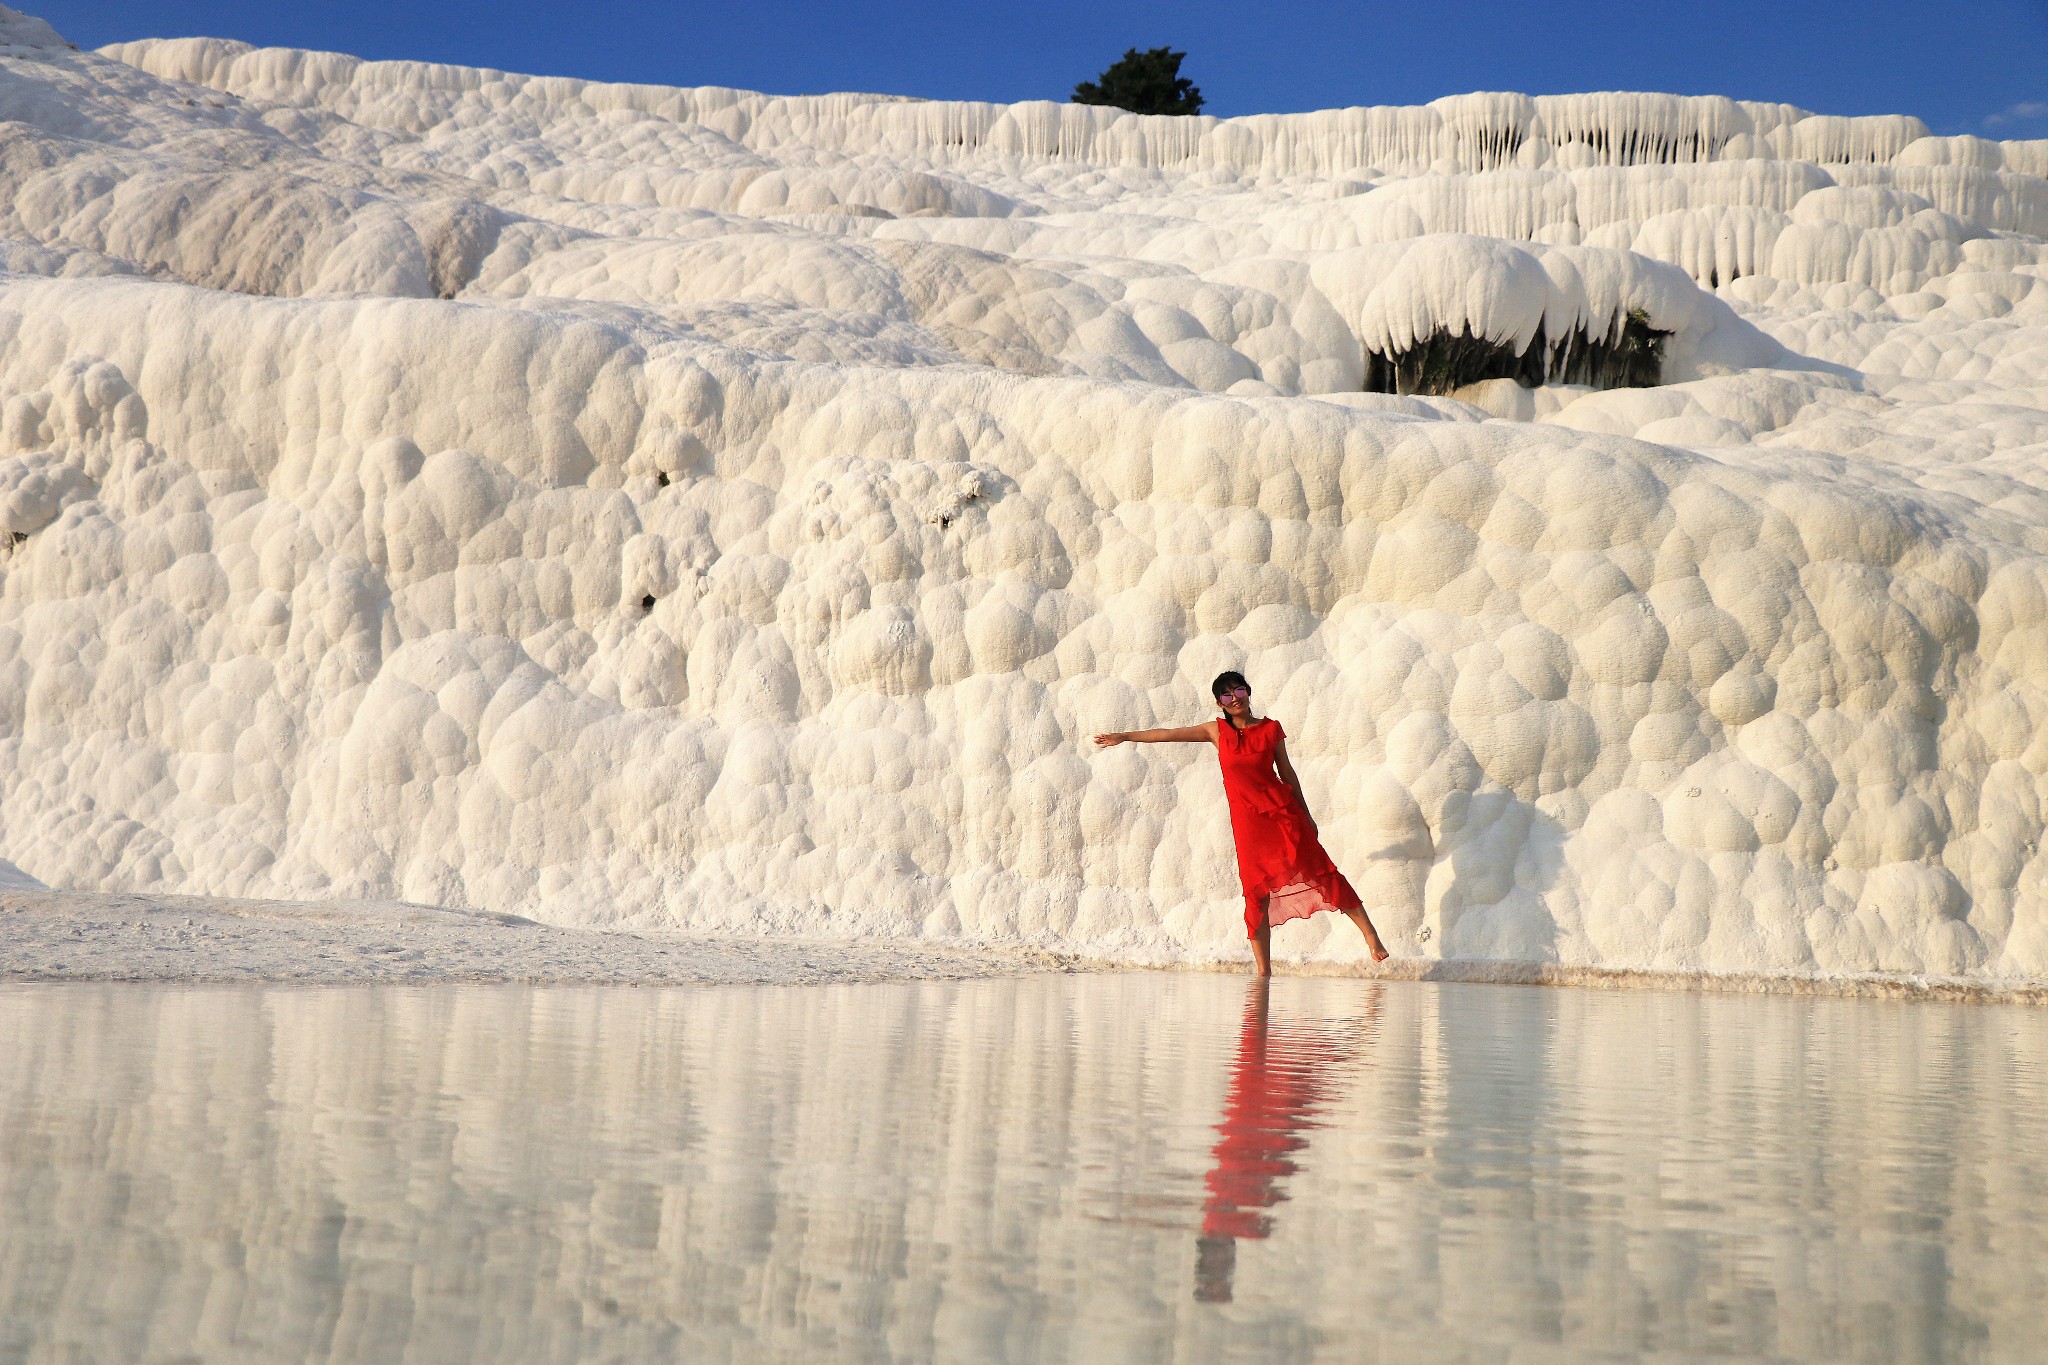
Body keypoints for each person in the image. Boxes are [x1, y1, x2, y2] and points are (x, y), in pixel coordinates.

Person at [1093, 670, 1391, 975]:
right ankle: (1264, 969)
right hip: (1249, 826)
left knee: (1323, 873)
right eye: (1226, 694)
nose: (1234, 698)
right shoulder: (1216, 732)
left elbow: (1287, 774)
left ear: (1248, 692)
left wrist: (1306, 814)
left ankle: (1370, 935)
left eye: (1238, 690)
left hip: (1282, 814)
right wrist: (1125, 736)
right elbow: (1168, 733)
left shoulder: (1270, 729)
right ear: (1219, 702)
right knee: (1256, 894)